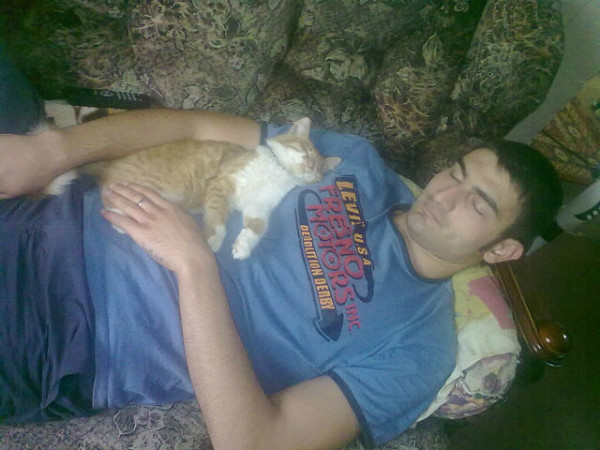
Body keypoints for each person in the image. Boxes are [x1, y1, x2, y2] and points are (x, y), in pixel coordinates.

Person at [0, 63, 562, 449]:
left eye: (477, 204)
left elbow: (252, 440)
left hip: (70, 333)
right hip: (60, 212)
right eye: (456, 172)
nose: (444, 194)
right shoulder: (356, 161)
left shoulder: (420, 349)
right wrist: (50, 151)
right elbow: (194, 125)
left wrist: (195, 266)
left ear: (502, 248)